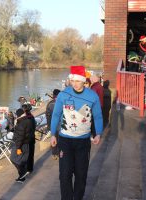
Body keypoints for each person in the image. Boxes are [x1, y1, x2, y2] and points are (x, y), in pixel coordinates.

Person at [50, 66, 103, 200]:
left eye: (77, 81)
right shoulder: (63, 95)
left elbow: (98, 116)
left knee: (81, 174)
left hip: (83, 142)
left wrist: (98, 133)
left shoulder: (92, 96)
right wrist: (52, 134)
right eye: (72, 81)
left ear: (84, 81)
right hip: (65, 140)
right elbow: (56, 115)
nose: (74, 84)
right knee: (65, 174)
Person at [10, 108, 34, 183]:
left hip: (20, 144)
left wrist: (18, 148)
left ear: (18, 115)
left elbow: (20, 136)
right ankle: (21, 177)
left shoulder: (21, 122)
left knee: (13, 159)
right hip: (27, 143)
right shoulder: (29, 119)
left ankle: (23, 173)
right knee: (22, 160)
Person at [46, 89, 61, 159]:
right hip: (60, 125)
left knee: (54, 139)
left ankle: (54, 154)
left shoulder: (50, 104)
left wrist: (49, 126)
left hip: (53, 125)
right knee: (60, 139)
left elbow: (48, 116)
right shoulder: (61, 102)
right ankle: (60, 152)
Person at [21, 103, 36, 173]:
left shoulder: (23, 118)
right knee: (31, 154)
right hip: (32, 138)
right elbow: (34, 126)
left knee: (25, 154)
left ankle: (25, 169)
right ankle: (30, 168)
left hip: (26, 139)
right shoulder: (32, 117)